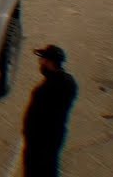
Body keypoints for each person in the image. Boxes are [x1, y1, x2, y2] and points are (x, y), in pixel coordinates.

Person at [23, 45, 78, 177]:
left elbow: (39, 115)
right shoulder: (69, 82)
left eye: (43, 59)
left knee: (35, 171)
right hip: (55, 136)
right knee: (50, 167)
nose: (40, 62)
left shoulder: (47, 88)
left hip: (40, 139)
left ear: (50, 62)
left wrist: (29, 133)